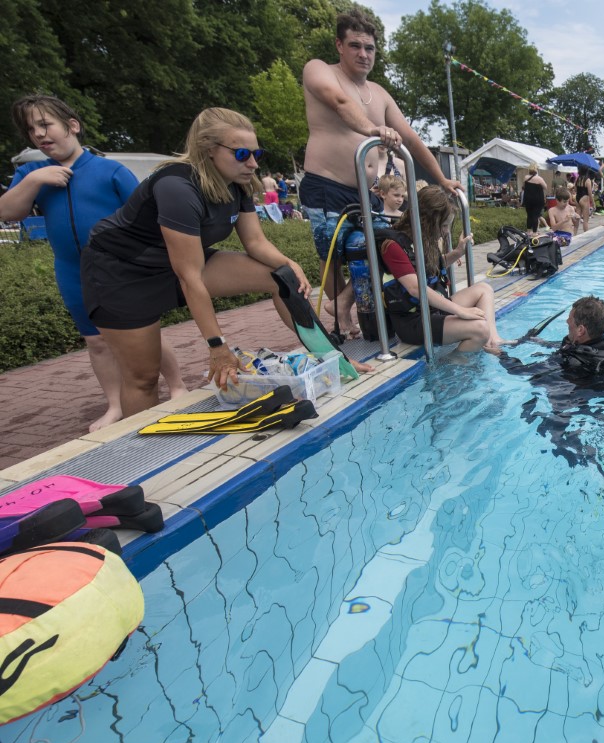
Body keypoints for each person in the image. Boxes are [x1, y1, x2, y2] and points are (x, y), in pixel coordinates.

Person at [80, 107, 316, 418]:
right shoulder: (177, 187)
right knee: (143, 377)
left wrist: (289, 263)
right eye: (242, 154)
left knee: (279, 276)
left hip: (178, 260)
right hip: (122, 272)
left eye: (256, 153)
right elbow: (190, 277)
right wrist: (218, 347)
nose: (253, 163)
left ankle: (327, 352)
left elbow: (255, 243)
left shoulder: (239, 182)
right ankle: (139, 443)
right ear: (208, 150)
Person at [0, 95, 188, 431]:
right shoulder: (31, 173)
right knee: (96, 340)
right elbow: (8, 212)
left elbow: (146, 215)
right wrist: (34, 181)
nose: (39, 134)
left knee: (144, 332)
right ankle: (115, 405)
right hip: (72, 271)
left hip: (121, 268)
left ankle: (177, 386)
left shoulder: (109, 170)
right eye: (31, 130)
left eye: (45, 124)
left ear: (72, 126)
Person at [300, 9, 461, 338]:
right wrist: (373, 129)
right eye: (355, 45)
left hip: (367, 191)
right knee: (333, 254)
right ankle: (342, 313)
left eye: (369, 48)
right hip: (327, 184)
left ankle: (341, 304)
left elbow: (412, 139)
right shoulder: (319, 70)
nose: (363, 54)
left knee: (387, 243)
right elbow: (339, 102)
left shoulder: (379, 93)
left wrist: (442, 180)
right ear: (339, 45)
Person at [500, 295, 604, 469]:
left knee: (555, 427)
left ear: (581, 330)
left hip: (584, 398)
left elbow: (520, 371)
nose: (567, 321)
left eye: (570, 320)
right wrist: (543, 342)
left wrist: (500, 354)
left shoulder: (570, 360)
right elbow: (581, 348)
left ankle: (591, 462)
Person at [378, 185, 504, 353]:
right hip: (413, 321)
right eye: (443, 226)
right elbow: (415, 288)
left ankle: (494, 341)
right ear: (426, 221)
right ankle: (453, 364)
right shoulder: (393, 245)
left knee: (484, 289)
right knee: (479, 329)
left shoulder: (422, 239)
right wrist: (461, 311)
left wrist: (458, 252)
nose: (446, 232)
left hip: (432, 309)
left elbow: (432, 268)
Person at [521, 163, 547, 237]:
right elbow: (545, 187)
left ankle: (528, 231)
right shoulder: (539, 178)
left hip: (528, 199)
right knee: (536, 215)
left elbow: (524, 186)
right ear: (536, 169)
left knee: (529, 215)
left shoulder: (526, 177)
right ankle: (535, 232)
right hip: (537, 200)